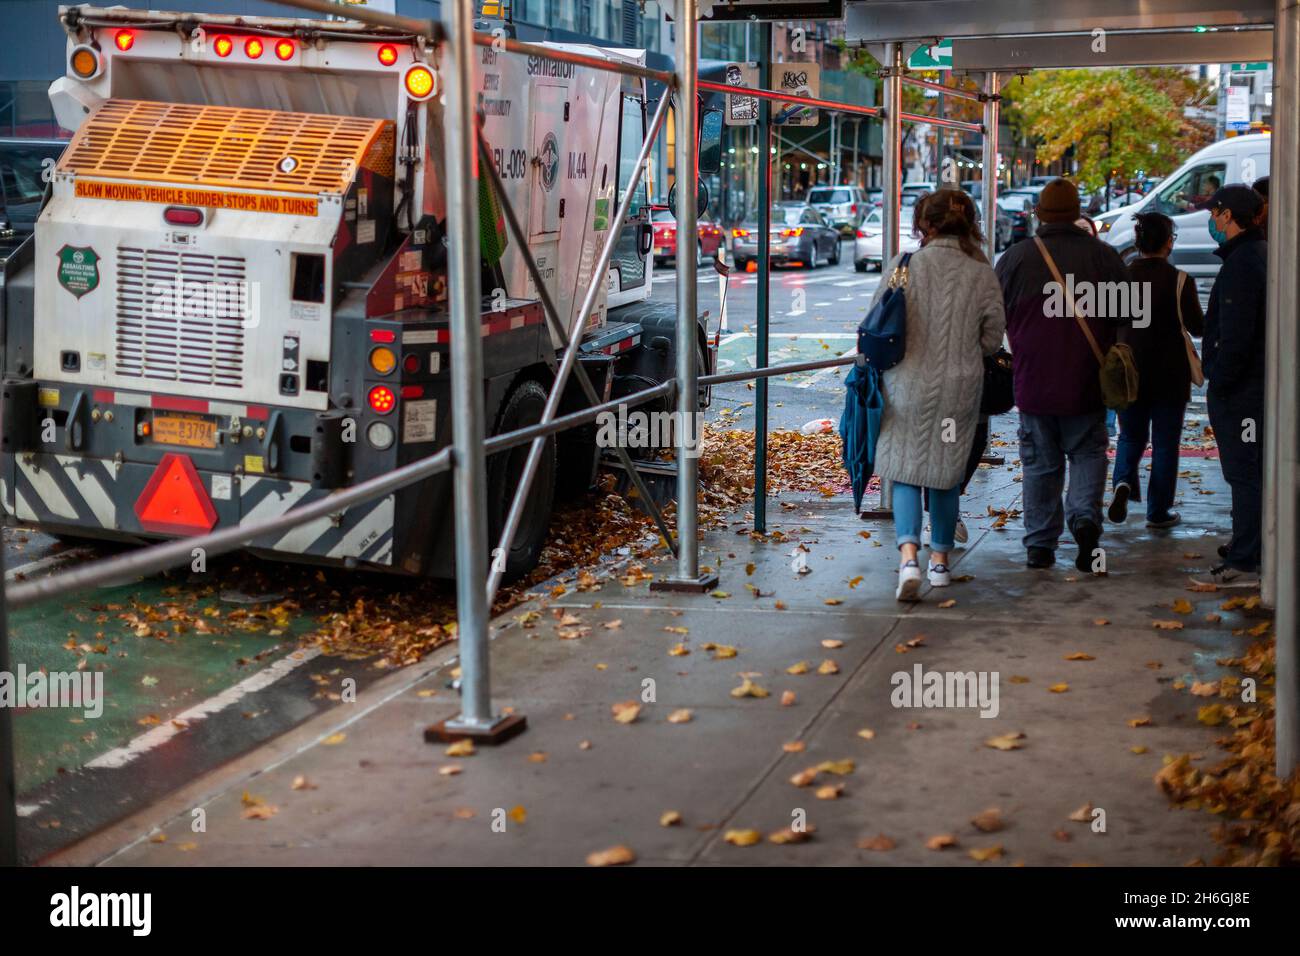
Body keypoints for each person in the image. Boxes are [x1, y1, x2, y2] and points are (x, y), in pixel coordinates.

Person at [869, 189, 1006, 601]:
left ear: (923, 225)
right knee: (946, 475)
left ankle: (909, 558)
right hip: (959, 393)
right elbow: (992, 337)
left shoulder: (905, 266)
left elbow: (877, 319)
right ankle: (941, 563)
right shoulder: (982, 272)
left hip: (906, 387)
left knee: (907, 470)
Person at [995, 178, 1131, 572]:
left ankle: (1040, 545)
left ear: (1038, 214)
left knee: (1040, 461)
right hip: (1088, 381)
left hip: (1034, 381)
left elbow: (994, 316)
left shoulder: (1016, 258)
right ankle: (1084, 518)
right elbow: (1128, 316)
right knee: (1088, 451)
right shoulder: (1104, 257)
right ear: (1077, 214)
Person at [1191, 185, 1267, 588]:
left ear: (1226, 215)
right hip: (1250, 386)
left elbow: (1236, 335)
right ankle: (1248, 546)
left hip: (1242, 392)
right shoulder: (1256, 255)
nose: (1212, 221)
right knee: (1250, 471)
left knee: (1244, 472)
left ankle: (1246, 559)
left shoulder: (1243, 263)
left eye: (1214, 213)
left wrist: (1220, 380)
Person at [1107, 212, 1204, 529]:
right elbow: (1197, 327)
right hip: (1170, 375)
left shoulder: (1121, 279)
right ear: (1167, 243)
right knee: (1165, 444)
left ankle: (1122, 482)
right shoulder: (1180, 281)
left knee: (1130, 437)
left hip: (1128, 371)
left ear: (1137, 242)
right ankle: (1158, 510)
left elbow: (1109, 324)